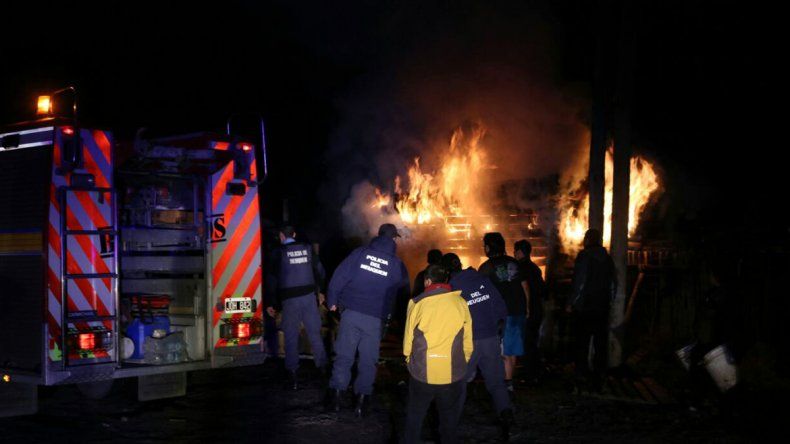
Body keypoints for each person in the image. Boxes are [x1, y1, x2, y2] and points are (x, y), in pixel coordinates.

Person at [325, 223, 410, 416]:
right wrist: (390, 318)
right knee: (368, 361)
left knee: (344, 356)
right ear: (394, 239)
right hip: (374, 319)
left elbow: (338, 278)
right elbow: (399, 294)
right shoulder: (397, 265)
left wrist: (332, 301)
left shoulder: (360, 254)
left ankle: (336, 399)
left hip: (351, 314)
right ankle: (361, 403)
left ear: (378, 235)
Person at [443, 253, 514, 440]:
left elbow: (452, 319)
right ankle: (506, 413)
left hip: (469, 343)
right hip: (490, 339)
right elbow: (500, 306)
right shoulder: (482, 279)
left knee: (459, 382)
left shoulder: (453, 288)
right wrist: (499, 332)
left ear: (446, 271)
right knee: (497, 382)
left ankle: (450, 425)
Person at [403, 264, 473, 444]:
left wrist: (410, 361)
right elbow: (468, 342)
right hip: (452, 374)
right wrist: (462, 361)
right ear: (446, 280)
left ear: (427, 281)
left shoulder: (416, 303)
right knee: (449, 424)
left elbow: (407, 343)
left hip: (421, 373)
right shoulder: (461, 303)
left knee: (414, 420)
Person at [265, 225, 328, 390]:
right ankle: (323, 369)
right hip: (308, 298)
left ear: (281, 236)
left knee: (291, 336)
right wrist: (320, 291)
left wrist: (271, 302)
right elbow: (320, 271)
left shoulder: (278, 252)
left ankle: (293, 374)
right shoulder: (307, 248)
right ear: (294, 234)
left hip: (289, 300)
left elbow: (272, 279)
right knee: (314, 333)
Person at [478, 232, 529, 393]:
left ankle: (505, 384)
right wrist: (527, 308)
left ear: (488, 248)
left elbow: (482, 293)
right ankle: (509, 382)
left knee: (501, 352)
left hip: (500, 314)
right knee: (511, 351)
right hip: (518, 311)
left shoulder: (486, 268)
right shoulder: (514, 263)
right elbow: (525, 286)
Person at [566, 228, 616, 392]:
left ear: (587, 240)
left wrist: (572, 302)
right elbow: (613, 284)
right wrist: (609, 303)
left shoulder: (584, 256)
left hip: (585, 308)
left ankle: (581, 375)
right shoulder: (608, 259)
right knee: (600, 344)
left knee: (582, 342)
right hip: (602, 308)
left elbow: (579, 283)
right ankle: (599, 376)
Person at [514, 239, 546, 383]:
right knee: (532, 342)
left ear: (520, 252)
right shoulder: (535, 268)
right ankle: (535, 372)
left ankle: (530, 375)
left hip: (526, 312)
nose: (514, 254)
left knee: (527, 343)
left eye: (515, 251)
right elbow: (543, 290)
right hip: (537, 310)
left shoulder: (519, 269)